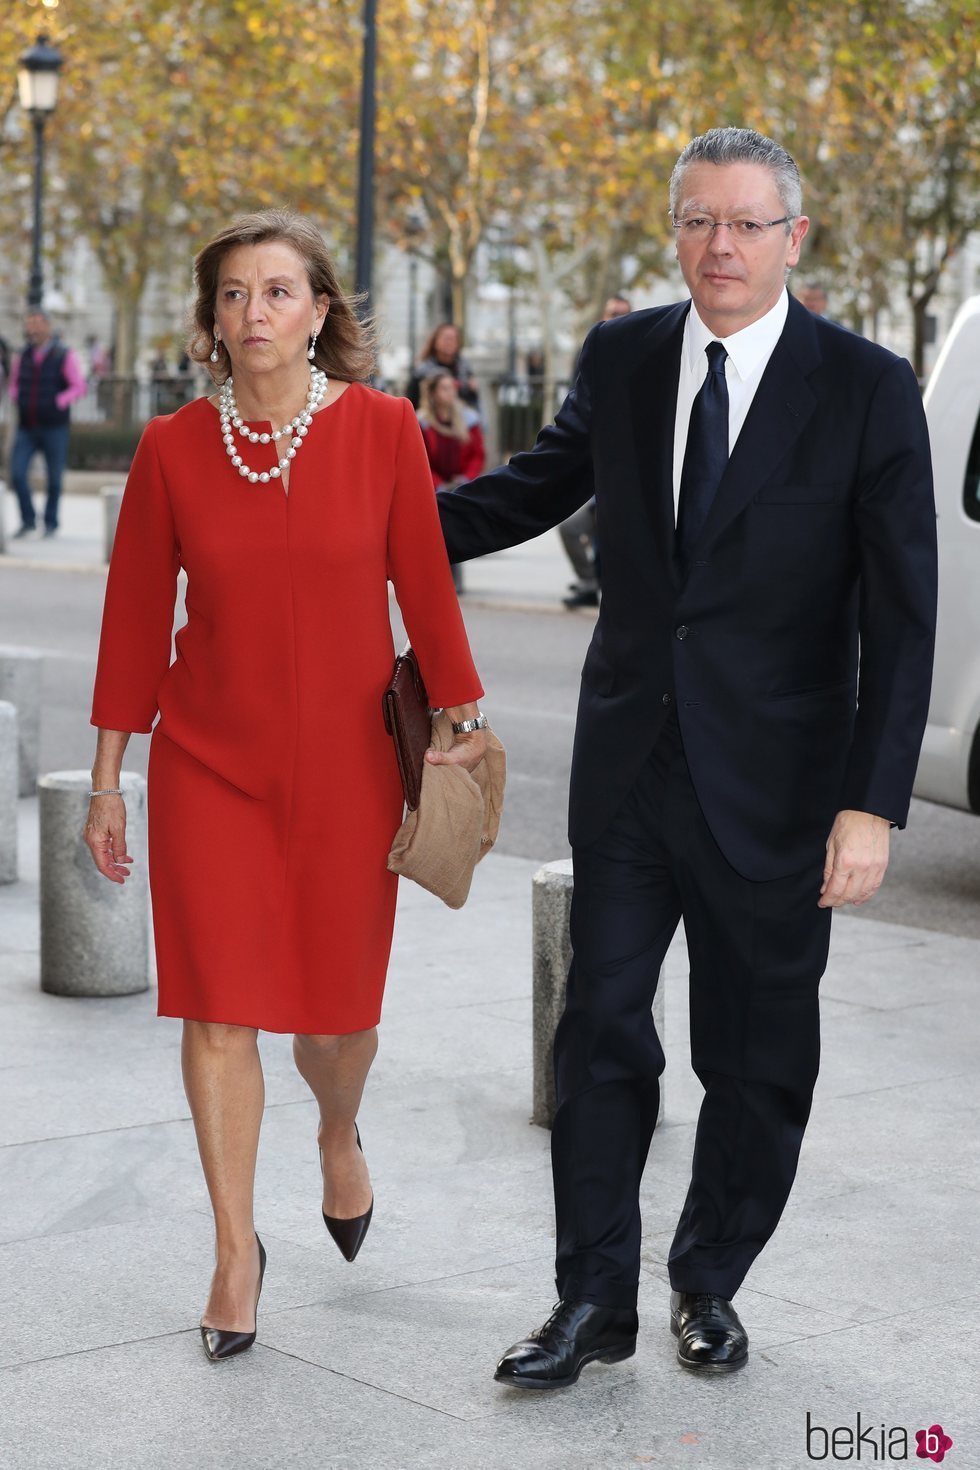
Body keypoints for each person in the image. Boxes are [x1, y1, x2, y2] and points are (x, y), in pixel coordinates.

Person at [437, 126, 936, 1388]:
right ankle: (590, 1304)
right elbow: (529, 491)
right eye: (698, 220)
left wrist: (869, 805)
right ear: (674, 230)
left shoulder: (867, 388)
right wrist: (363, 517)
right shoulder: (620, 355)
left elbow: (901, 614)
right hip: (627, 775)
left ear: (792, 239)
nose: (720, 244)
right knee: (598, 1033)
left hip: (777, 790)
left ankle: (706, 1281)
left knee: (755, 1060)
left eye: (746, 223)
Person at [84, 209, 489, 1363]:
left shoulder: (382, 430)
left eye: (276, 292)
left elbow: (424, 585)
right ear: (212, 321)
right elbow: (128, 625)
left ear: (320, 313)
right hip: (211, 766)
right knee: (218, 1011)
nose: (252, 313)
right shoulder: (169, 448)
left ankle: (340, 1127)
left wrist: (461, 719)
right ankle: (230, 1253)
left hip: (353, 775)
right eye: (232, 296)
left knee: (336, 1019)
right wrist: (111, 778)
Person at [560, 295, 633, 609]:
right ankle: (589, 583)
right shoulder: (593, 354)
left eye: (623, 314)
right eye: (611, 313)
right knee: (570, 527)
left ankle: (611, 591)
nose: (616, 318)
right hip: (594, 477)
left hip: (628, 480)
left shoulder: (645, 356)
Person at [8, 310, 87, 538]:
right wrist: (16, 397)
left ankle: (50, 522)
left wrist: (59, 401)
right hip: (27, 426)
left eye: (36, 323)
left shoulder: (63, 355)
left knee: (54, 478)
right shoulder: (21, 356)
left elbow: (79, 386)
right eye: (29, 324)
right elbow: (13, 384)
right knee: (18, 473)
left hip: (54, 427)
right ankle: (28, 520)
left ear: (47, 326)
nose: (32, 328)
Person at [418, 370, 486, 593]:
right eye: (444, 388)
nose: (450, 393)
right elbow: (421, 458)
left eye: (452, 388)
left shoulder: (468, 419)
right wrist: (437, 483)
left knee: (452, 525)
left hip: (461, 483)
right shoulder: (422, 422)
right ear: (434, 393)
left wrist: (467, 478)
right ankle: (439, 577)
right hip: (433, 485)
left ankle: (453, 578)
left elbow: (477, 454)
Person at [406, 322, 479, 411]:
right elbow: (412, 401)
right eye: (446, 338)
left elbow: (473, 402)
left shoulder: (464, 369)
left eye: (454, 339)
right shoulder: (422, 371)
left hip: (459, 419)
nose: (450, 342)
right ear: (435, 342)